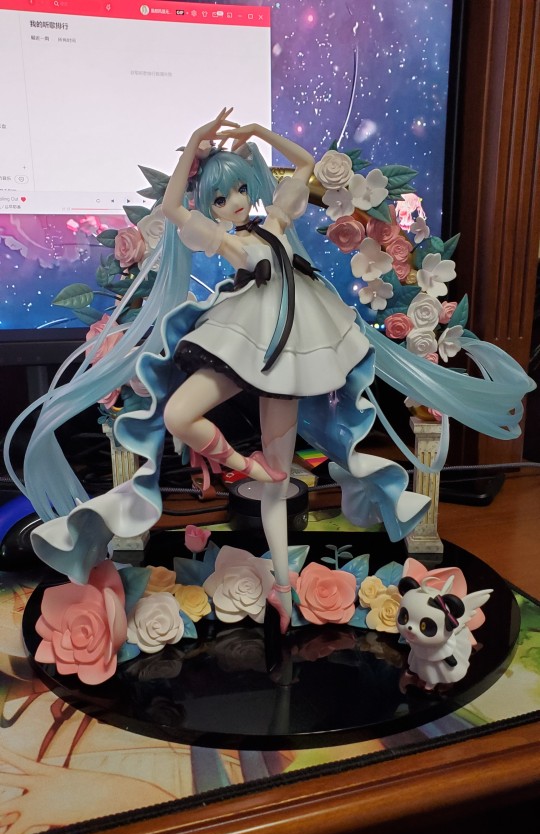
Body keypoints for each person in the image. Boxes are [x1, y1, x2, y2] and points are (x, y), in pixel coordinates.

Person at [4, 109, 534, 631]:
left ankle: (282, 585)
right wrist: (196, 141)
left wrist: (259, 132)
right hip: (240, 345)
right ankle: (246, 467)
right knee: (181, 416)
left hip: (289, 359)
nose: (233, 202)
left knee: (278, 489)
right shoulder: (229, 241)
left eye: (238, 190)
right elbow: (171, 208)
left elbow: (305, 165)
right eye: (219, 198)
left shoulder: (275, 222)